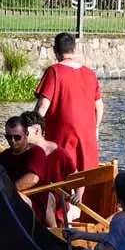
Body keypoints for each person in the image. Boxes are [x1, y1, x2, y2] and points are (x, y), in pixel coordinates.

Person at [33, 32, 104, 173]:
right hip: (87, 136)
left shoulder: (54, 71)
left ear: (55, 50)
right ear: (74, 49)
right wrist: (95, 128)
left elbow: (42, 106)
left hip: (63, 136)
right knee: (87, 175)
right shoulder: (90, 74)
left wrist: (32, 130)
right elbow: (99, 106)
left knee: (62, 173)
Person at [0, 115, 51, 193]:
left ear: (26, 134)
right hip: (12, 196)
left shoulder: (36, 152)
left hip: (34, 199)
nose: (13, 141)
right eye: (9, 137)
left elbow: (33, 179)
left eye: (17, 137)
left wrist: (6, 190)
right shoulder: (4, 155)